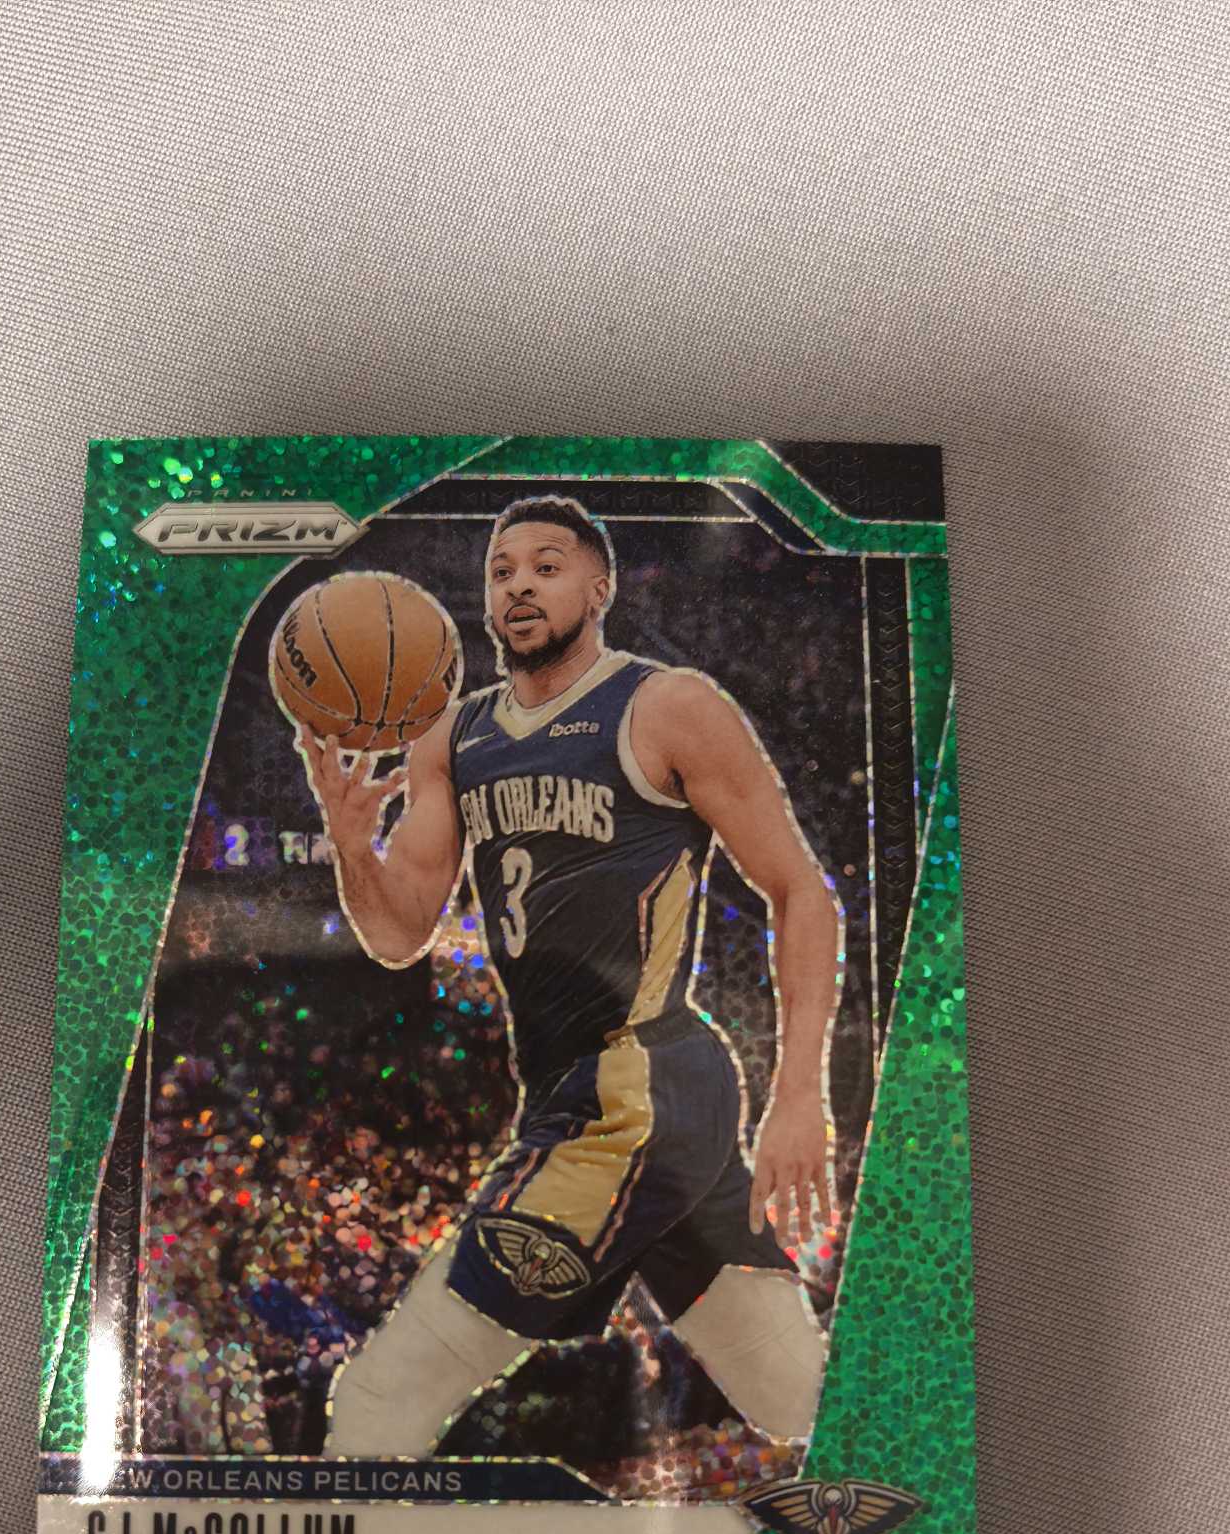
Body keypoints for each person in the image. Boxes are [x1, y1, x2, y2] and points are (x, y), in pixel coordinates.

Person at [296, 495, 841, 1467]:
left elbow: (802, 891)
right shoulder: (452, 738)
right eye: (502, 570)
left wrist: (801, 1092)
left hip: (632, 1090)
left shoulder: (667, 706)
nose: (519, 586)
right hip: (581, 1092)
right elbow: (397, 932)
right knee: (794, 1389)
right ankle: (910, 1499)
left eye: (546, 567)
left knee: (384, 1394)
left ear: (599, 588)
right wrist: (350, 844)